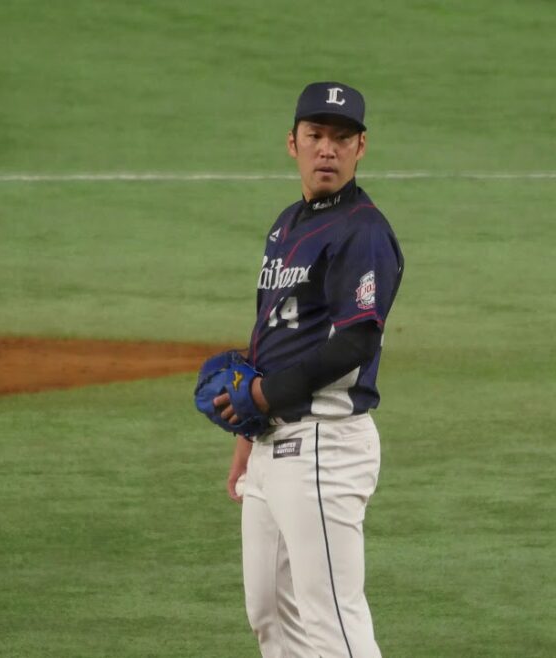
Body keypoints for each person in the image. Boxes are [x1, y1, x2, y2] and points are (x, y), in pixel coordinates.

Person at [213, 81, 404, 658]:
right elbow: (268, 330)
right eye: (316, 135)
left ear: (360, 148)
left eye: (341, 138)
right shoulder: (286, 225)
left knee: (332, 624)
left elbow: (357, 340)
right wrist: (249, 431)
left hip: (324, 444)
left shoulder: (363, 230)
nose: (327, 148)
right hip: (272, 442)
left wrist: (265, 395)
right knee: (271, 615)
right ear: (292, 143)